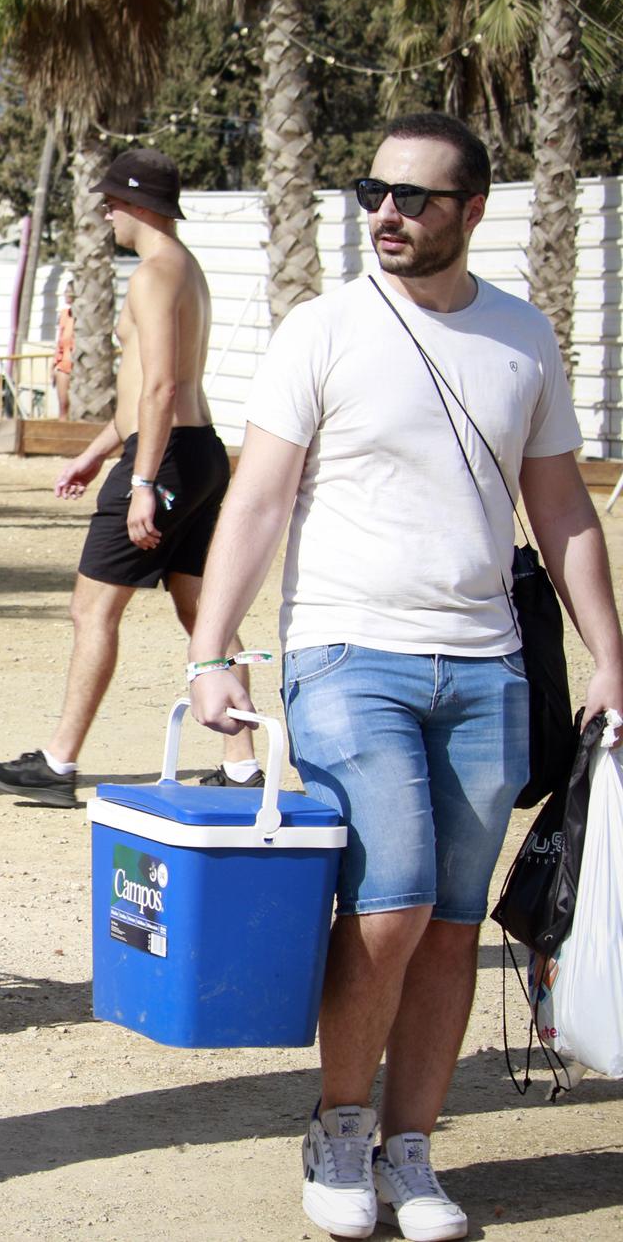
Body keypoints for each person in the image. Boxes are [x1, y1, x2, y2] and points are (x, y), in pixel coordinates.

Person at [188, 112, 621, 1242]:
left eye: (414, 196)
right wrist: (210, 650)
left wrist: (610, 662)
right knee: (388, 901)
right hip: (345, 652)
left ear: (471, 209)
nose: (385, 211)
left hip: (485, 665)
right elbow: (260, 496)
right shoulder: (321, 329)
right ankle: (337, 1123)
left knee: (448, 919)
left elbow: (561, 507)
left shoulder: (521, 338)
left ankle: (410, 1148)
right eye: (372, 189)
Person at [0, 148, 256, 807]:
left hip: (164, 460)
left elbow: (159, 386)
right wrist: (98, 449)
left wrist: (138, 479)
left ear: (136, 205)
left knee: (93, 608)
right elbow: (156, 389)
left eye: (110, 201)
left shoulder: (153, 275)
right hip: (197, 452)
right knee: (199, 608)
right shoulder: (185, 271)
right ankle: (242, 763)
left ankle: (58, 761)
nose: (105, 213)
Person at [53, 283, 76, 420]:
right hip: (64, 364)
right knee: (63, 404)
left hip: (79, 364)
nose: (67, 294)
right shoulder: (63, 314)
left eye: (70, 292)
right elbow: (60, 339)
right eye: (65, 291)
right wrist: (54, 363)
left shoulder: (83, 317)